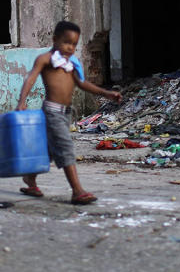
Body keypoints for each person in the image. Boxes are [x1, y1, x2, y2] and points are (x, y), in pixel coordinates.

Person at [15, 20, 121, 205]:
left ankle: (30, 179)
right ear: (55, 39)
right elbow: (31, 78)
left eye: (74, 44)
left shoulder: (71, 63)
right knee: (65, 147)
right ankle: (77, 191)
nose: (70, 47)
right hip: (52, 111)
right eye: (66, 43)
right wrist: (22, 101)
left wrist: (107, 93)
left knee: (49, 151)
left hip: (66, 113)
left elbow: (82, 84)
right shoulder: (45, 59)